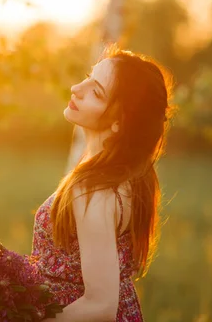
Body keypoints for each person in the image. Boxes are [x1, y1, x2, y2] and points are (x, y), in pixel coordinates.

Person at [32, 46, 174, 321]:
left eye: (96, 92)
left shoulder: (94, 191)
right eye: (87, 77)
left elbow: (100, 306)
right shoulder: (127, 175)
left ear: (120, 121)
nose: (76, 88)